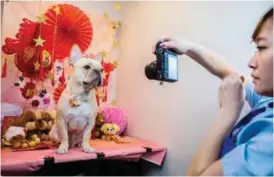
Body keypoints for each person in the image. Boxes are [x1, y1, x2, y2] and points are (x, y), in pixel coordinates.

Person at [153, 7, 273, 176]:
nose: (251, 62)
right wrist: (189, 48)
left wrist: (228, 112)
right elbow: (229, 74)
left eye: (261, 47)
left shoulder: (269, 146)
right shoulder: (268, 101)